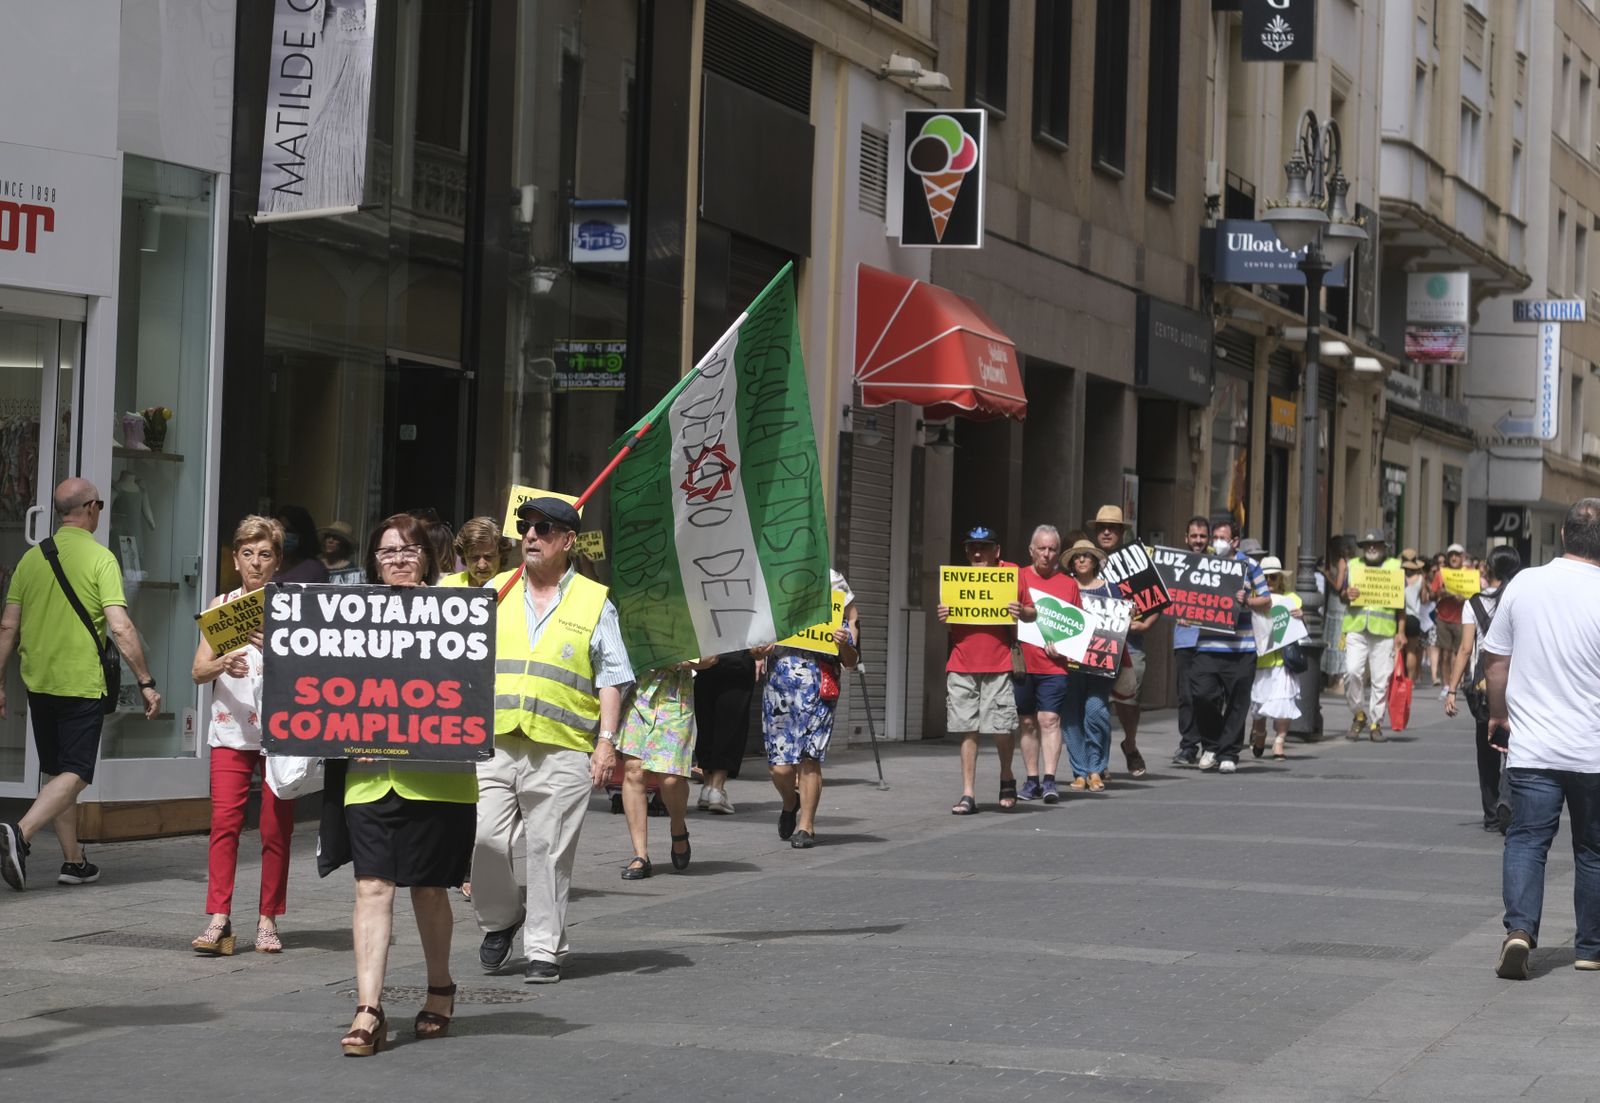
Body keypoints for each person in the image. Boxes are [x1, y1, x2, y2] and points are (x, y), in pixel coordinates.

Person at [329, 513, 477, 1054]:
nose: (397, 559)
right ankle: (369, 1009)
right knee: (371, 885)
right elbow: (319, 679)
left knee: (429, 887)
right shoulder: (347, 617)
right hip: (369, 778)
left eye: (409, 550)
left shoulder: (456, 614)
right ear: (373, 561)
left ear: (428, 558)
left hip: (439, 779)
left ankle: (440, 986)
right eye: (387, 551)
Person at [474, 497, 633, 985]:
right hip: (494, 741)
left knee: (549, 849)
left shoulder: (593, 598)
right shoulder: (494, 591)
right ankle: (502, 918)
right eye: (525, 527)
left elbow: (613, 675)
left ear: (568, 541)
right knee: (484, 839)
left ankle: (544, 947)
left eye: (543, 529)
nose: (530, 536)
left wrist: (606, 742)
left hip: (563, 745)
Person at [0, 479, 162, 891]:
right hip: (79, 682)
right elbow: (121, 627)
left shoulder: (31, 559)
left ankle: (74, 861)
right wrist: (145, 680)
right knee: (77, 771)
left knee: (56, 770)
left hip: (38, 681)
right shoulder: (100, 558)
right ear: (90, 508)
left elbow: (7, 627)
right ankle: (19, 834)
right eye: (100, 505)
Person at [1482, 499, 1600, 980]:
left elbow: (1496, 662)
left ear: (1564, 535)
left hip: (1532, 747)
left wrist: (1498, 715)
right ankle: (1590, 947)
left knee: (1527, 841)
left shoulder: (1524, 584)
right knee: (1592, 850)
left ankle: (1520, 932)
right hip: (1593, 750)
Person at [190, 516, 293, 955]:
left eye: (265, 554)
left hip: (280, 732)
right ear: (235, 559)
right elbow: (198, 671)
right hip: (230, 729)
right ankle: (219, 918)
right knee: (224, 826)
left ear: (277, 561)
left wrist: (276, 648)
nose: (255, 563)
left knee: (274, 828)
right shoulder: (224, 604)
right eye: (247, 554)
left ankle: (268, 919)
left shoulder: (291, 605)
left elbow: (315, 673)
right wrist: (221, 664)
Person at [755, 569, 859, 848]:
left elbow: (850, 657)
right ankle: (791, 800)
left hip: (819, 686)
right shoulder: (776, 578)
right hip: (779, 687)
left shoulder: (833, 579)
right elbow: (757, 641)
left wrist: (844, 643)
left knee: (810, 758)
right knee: (780, 767)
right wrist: (759, 650)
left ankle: (806, 826)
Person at [937, 525, 1020, 814]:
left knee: (1001, 728)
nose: (977, 552)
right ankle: (968, 793)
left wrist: (1018, 614)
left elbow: (1032, 616)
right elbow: (953, 627)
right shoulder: (957, 583)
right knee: (967, 729)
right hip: (962, 664)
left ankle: (1006, 774)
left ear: (996, 551)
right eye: (972, 547)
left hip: (998, 663)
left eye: (984, 547)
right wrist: (945, 615)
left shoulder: (1011, 576)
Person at [1444, 545, 1523, 834]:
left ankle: (1491, 814)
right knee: (1515, 748)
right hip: (1519, 684)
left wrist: (1451, 690)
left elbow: (1465, 649)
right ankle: (1509, 798)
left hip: (1484, 687)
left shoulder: (1474, 603)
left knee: (1486, 750)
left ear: (1488, 569)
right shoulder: (1520, 598)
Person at [617, 657, 716, 877]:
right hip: (637, 694)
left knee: (671, 778)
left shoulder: (693, 621)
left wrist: (684, 661)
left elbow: (711, 658)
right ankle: (640, 855)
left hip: (675, 699)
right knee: (634, 771)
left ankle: (678, 826)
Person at [1192, 517, 1271, 775]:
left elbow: (1266, 601)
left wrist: (1248, 599)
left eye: (1222, 538)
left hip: (1241, 648)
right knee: (1202, 695)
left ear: (1235, 541)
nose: (1217, 543)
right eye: (1215, 538)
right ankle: (1213, 744)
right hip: (1208, 644)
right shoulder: (1205, 564)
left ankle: (1229, 753)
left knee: (1238, 703)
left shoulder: (1251, 566)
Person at [1088, 505, 1156, 778]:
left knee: (1129, 700)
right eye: (1102, 527)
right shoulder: (1086, 559)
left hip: (1130, 641)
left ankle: (1129, 743)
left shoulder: (1137, 560)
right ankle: (1098, 762)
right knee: (1097, 702)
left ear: (1121, 532)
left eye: (1112, 528)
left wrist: (1146, 623)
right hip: (1097, 642)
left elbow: (1156, 598)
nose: (1106, 532)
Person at [1014, 525, 1080, 802]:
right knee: (1027, 722)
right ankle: (1032, 780)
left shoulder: (1069, 584)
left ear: (1059, 553)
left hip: (1054, 666)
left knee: (1049, 719)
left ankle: (1050, 780)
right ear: (1031, 550)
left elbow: (1077, 628)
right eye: (1041, 548)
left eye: (1052, 549)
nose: (1046, 554)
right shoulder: (1017, 578)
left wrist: (1063, 648)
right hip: (1022, 663)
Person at [1333, 528, 1406, 741]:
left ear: (1384, 547)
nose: (1371, 548)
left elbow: (1401, 604)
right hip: (1356, 628)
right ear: (1363, 548)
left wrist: (1400, 632)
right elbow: (1342, 596)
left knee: (1381, 679)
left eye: (1376, 544)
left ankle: (1376, 723)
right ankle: (1359, 714)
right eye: (1367, 545)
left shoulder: (1394, 567)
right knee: (1352, 671)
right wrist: (1348, 594)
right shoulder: (1353, 566)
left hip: (1383, 632)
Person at [1061, 539, 1114, 793]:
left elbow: (1126, 624)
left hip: (1100, 664)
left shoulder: (1112, 591)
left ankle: (1096, 767)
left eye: (1086, 556)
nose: (1081, 560)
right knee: (1070, 717)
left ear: (1095, 561)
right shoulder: (1064, 588)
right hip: (1069, 664)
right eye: (1077, 557)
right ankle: (1080, 771)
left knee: (1096, 711)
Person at [1247, 556, 1302, 762]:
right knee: (1259, 706)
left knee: (1283, 701)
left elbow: (1298, 626)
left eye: (1273, 577)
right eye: (1265, 577)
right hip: (1261, 661)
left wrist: (1300, 615)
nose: (1269, 581)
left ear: (1280, 579)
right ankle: (1260, 734)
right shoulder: (1252, 599)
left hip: (1283, 661)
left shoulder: (1292, 599)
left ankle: (1279, 740)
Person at [693, 650, 757, 814]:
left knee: (707, 723)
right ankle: (717, 789)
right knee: (731, 726)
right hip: (736, 660)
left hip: (707, 658)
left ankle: (707, 788)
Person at [1171, 516, 1211, 767]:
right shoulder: (1175, 565)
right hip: (1184, 641)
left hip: (1210, 641)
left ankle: (1210, 743)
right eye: (1194, 536)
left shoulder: (1219, 566)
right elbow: (1164, 597)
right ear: (1186, 538)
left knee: (1207, 695)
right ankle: (1188, 745)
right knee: (1186, 695)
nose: (1198, 541)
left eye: (1202, 536)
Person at [1427, 542, 1470, 699]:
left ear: (1462, 557)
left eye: (1456, 555)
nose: (1453, 558)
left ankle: (1456, 682)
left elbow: (1475, 594)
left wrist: (1464, 598)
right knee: (1445, 654)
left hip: (1462, 618)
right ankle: (1446, 685)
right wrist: (1441, 592)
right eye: (1451, 555)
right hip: (1444, 618)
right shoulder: (1441, 574)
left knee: (1459, 653)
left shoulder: (1469, 574)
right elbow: (1431, 595)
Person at [1319, 535, 1352, 692]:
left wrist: (1327, 576)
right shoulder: (1347, 562)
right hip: (1340, 608)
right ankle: (1337, 680)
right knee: (1339, 642)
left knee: (1337, 641)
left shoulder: (1340, 562)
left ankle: (1338, 681)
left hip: (1337, 607)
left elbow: (1338, 586)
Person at [441, 516, 505, 588]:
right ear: (464, 556)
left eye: (488, 557)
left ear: (501, 553)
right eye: (474, 557)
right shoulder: (449, 585)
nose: (482, 566)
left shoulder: (516, 584)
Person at [272, 505, 330, 584]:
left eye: (290, 531)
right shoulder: (263, 562)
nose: (283, 535)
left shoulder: (315, 571)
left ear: (303, 535)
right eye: (280, 530)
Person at [1400, 549, 1428, 683]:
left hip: (1400, 617)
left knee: (1398, 650)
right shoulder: (1420, 579)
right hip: (1414, 618)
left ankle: (1398, 678)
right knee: (1411, 651)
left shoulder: (1397, 576)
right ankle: (1410, 682)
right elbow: (1424, 599)